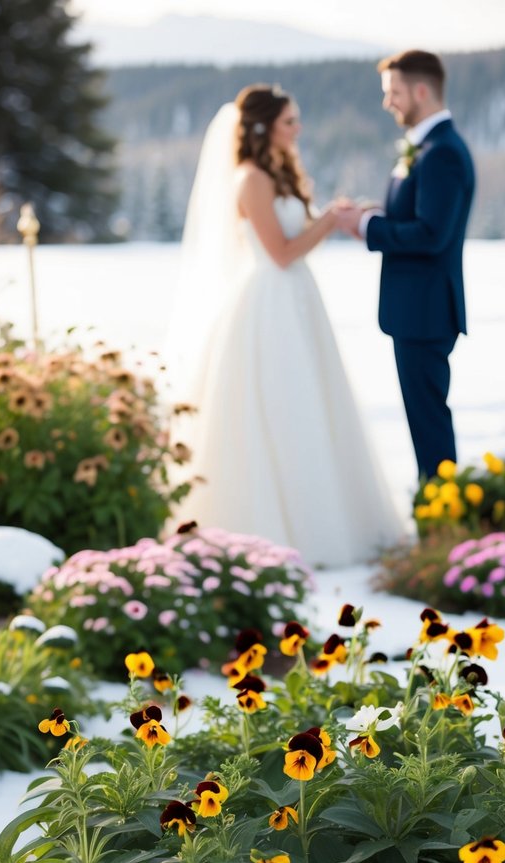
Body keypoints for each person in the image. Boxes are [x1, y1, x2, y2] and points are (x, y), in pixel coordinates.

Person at [170, 83, 402, 569]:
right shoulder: (251, 179)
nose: (298, 129)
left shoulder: (277, 172)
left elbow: (295, 240)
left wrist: (327, 218)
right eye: (289, 122)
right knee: (279, 407)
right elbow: (280, 252)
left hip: (298, 300)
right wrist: (330, 223)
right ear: (263, 128)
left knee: (313, 405)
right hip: (269, 304)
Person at [335, 50, 475, 482]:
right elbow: (421, 216)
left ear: (420, 90)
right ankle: (436, 505)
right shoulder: (427, 147)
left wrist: (366, 226)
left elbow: (432, 235)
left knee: (429, 418)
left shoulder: (442, 153)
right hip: (417, 309)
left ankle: (441, 511)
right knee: (422, 416)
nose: (388, 102)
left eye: (393, 91)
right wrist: (377, 213)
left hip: (426, 310)